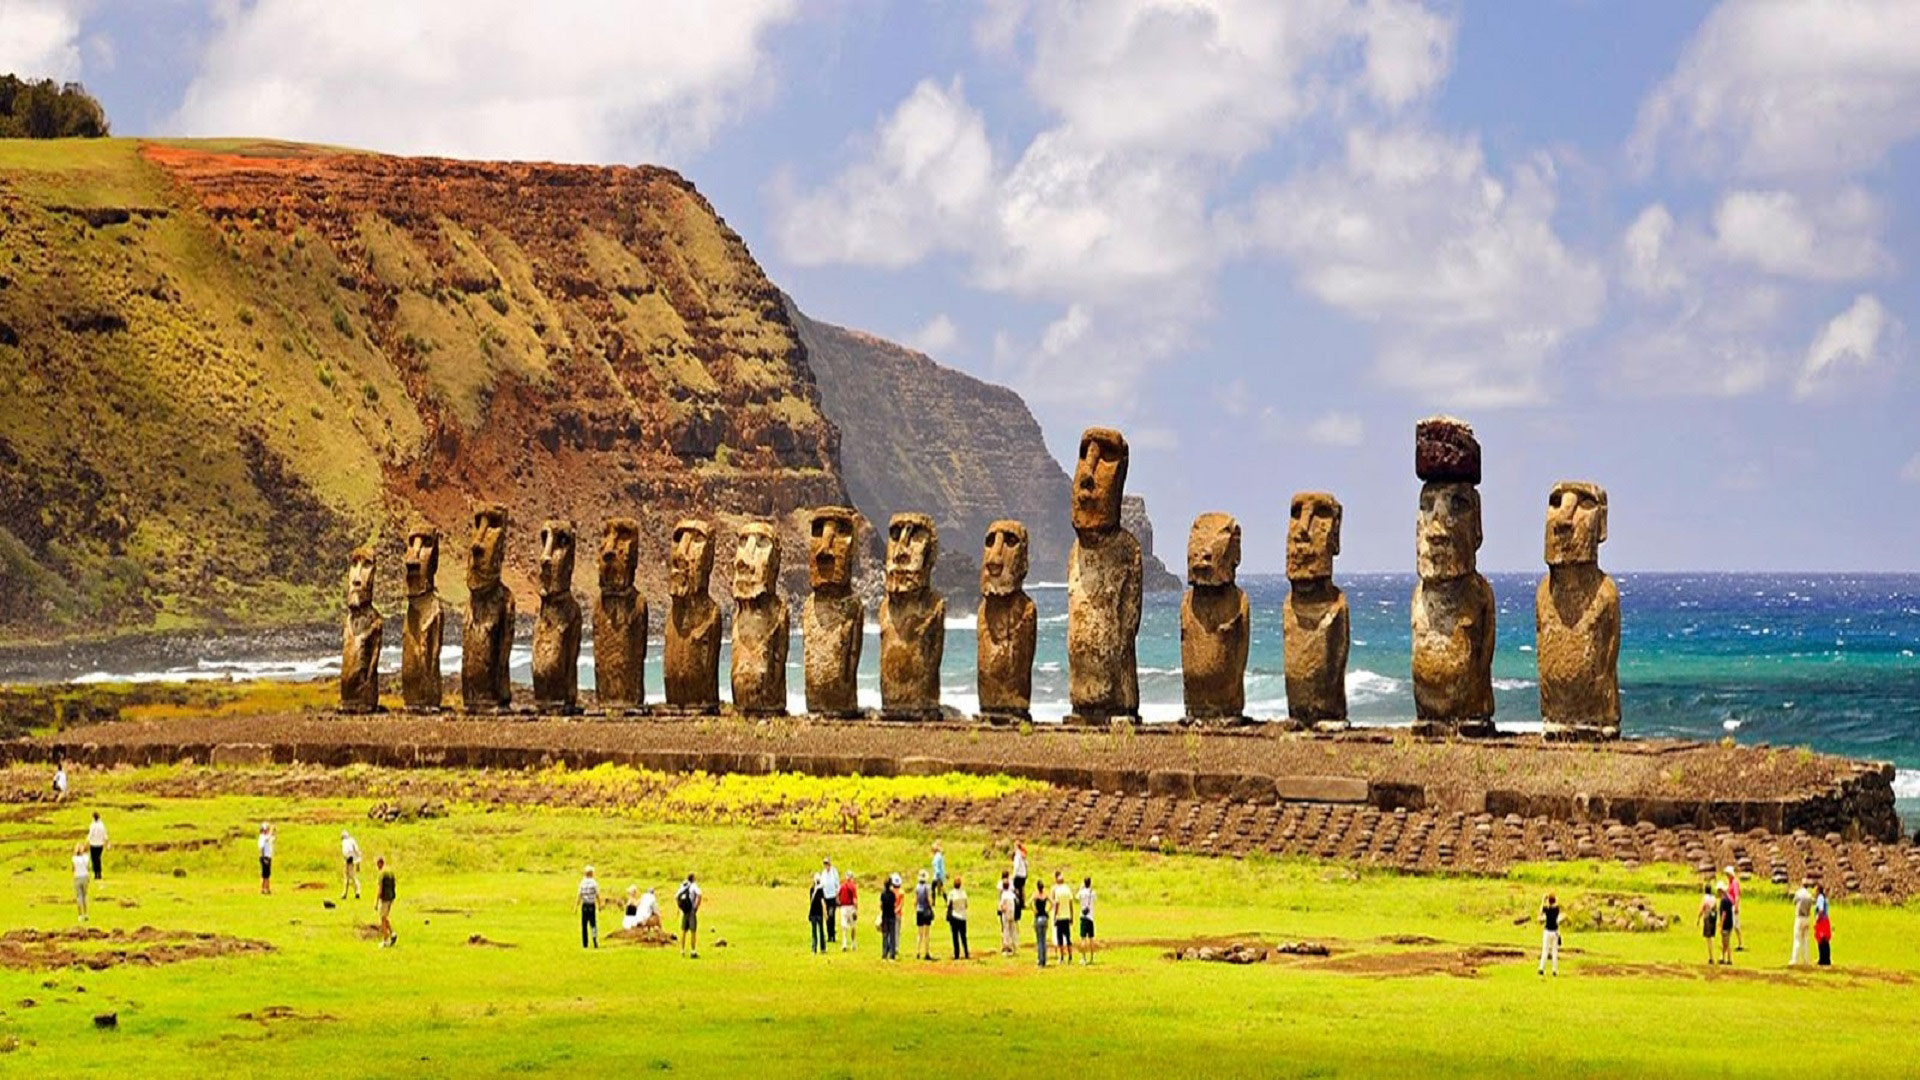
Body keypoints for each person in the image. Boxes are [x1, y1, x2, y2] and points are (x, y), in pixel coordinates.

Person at [676, 873, 702, 958]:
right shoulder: (694, 886)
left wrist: (680, 907)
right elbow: (699, 894)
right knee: (693, 931)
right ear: (693, 879)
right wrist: (695, 906)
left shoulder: (683, 885)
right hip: (691, 910)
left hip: (684, 911)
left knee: (683, 930)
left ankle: (682, 950)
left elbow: (676, 897)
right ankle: (693, 951)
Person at [1051, 871, 1075, 965]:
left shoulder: (1058, 891)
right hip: (1067, 916)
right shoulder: (1068, 889)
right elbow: (1071, 904)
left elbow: (1057, 904)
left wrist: (1055, 916)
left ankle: (1061, 957)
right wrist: (1071, 916)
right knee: (1068, 937)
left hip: (1060, 917)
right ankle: (1070, 956)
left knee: (1060, 938)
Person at [1790, 879, 1814, 966]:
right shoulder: (1809, 895)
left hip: (1799, 917)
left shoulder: (1798, 893)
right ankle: (1806, 960)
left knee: (1797, 939)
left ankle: (1794, 960)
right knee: (1806, 940)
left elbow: (1794, 902)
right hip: (1807, 918)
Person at [375, 856, 397, 947]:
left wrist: (376, 902)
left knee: (382, 919)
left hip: (384, 898)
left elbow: (380, 888)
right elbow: (394, 885)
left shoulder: (382, 873)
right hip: (391, 897)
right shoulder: (390, 872)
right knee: (385, 917)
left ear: (380, 863)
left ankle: (385, 940)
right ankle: (392, 933)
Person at [914, 869, 936, 960]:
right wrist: (931, 906)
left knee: (919, 934)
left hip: (919, 911)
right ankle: (926, 952)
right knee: (926, 934)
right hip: (926, 911)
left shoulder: (917, 887)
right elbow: (929, 899)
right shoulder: (927, 887)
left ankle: (918, 952)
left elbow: (915, 901)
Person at [947, 876, 970, 960]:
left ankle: (956, 954)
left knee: (955, 936)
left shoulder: (952, 893)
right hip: (963, 916)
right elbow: (966, 905)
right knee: (963, 936)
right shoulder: (963, 893)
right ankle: (966, 952)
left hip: (954, 916)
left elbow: (948, 904)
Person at [1537, 892, 1561, 977]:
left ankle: (1541, 968)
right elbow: (1557, 904)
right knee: (1554, 951)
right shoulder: (1557, 909)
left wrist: (1543, 900)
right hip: (1554, 932)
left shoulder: (1547, 909)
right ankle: (1554, 970)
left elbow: (1540, 912)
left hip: (1547, 931)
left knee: (1545, 950)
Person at [879, 873, 900, 961]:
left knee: (885, 935)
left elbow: (880, 905)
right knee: (892, 935)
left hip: (885, 916)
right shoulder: (892, 894)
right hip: (892, 916)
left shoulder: (883, 894)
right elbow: (894, 904)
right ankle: (892, 954)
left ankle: (884, 954)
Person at [819, 858, 841, 944]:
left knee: (832, 915)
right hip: (826, 897)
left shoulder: (834, 872)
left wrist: (837, 894)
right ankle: (829, 935)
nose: (826, 866)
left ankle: (833, 935)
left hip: (832, 897)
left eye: (827, 864)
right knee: (827, 917)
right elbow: (822, 884)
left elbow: (837, 884)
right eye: (825, 864)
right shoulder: (823, 873)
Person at [1077, 876, 1097, 966]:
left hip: (1083, 917)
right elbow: (1095, 899)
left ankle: (1083, 958)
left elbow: (1076, 897)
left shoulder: (1082, 892)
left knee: (1083, 938)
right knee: (1091, 938)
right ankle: (1092, 958)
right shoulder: (1092, 892)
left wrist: (1081, 888)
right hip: (1091, 917)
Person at [579, 865, 600, 949]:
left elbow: (579, 895)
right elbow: (597, 895)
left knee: (584, 925)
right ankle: (594, 940)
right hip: (591, 905)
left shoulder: (582, 883)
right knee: (593, 924)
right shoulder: (594, 883)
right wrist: (600, 904)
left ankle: (585, 943)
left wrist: (576, 906)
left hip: (584, 905)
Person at [808, 871, 828, 955]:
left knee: (814, 932)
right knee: (821, 931)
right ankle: (822, 948)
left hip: (813, 913)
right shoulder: (821, 890)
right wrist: (825, 914)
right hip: (819, 914)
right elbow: (823, 902)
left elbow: (811, 902)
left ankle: (814, 949)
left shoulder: (812, 889)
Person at [1725, 866, 1745, 951]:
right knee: (1732, 925)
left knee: (1735, 925)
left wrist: (1736, 906)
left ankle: (1740, 943)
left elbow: (1737, 896)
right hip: (1730, 906)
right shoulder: (1730, 883)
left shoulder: (1734, 883)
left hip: (1733, 906)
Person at [1697, 882, 1718, 964]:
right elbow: (1716, 908)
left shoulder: (1705, 898)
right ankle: (1712, 956)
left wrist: (1698, 918)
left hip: (1707, 918)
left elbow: (1702, 908)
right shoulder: (1714, 898)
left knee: (1708, 939)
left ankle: (1711, 957)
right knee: (1711, 938)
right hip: (1713, 918)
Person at [838, 872, 858, 952]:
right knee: (853, 926)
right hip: (851, 907)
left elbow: (838, 896)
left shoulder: (842, 886)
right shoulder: (853, 887)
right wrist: (856, 909)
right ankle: (853, 943)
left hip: (843, 907)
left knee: (844, 926)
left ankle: (844, 943)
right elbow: (855, 900)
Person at [998, 872, 1017, 955]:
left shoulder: (1003, 895)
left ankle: (1006, 947)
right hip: (1012, 913)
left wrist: (1001, 909)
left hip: (1006, 914)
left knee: (1006, 930)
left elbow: (1002, 906)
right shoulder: (1012, 895)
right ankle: (1014, 946)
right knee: (1012, 930)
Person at [1032, 881, 1051, 968]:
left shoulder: (1036, 895)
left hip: (1038, 917)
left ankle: (1040, 961)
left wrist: (1034, 910)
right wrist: (1047, 910)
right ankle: (1044, 960)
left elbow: (1029, 903)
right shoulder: (1045, 895)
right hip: (1045, 917)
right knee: (1044, 940)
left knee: (1039, 941)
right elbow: (1053, 902)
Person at [341, 830, 363, 900]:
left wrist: (347, 859)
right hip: (353, 860)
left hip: (348, 861)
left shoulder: (344, 842)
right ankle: (355, 892)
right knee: (351, 877)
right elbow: (357, 850)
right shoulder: (352, 840)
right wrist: (358, 861)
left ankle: (347, 893)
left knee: (349, 877)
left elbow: (344, 852)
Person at [72, 841, 91, 922]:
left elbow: (73, 868)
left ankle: (80, 915)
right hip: (85, 876)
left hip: (77, 877)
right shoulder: (86, 857)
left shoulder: (74, 858)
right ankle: (86, 913)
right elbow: (88, 867)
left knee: (79, 896)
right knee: (85, 895)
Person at [1814, 885, 1832, 967]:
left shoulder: (1820, 898)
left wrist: (1817, 919)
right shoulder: (1824, 898)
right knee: (1825, 941)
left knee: (1821, 940)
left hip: (1822, 921)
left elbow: (1820, 910)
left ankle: (1823, 959)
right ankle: (1826, 959)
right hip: (1825, 920)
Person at [87, 811, 107, 882]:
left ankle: (96, 873)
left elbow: (90, 835)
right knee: (98, 859)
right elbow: (104, 835)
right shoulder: (102, 825)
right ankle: (99, 873)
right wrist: (106, 842)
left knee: (94, 859)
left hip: (93, 844)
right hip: (100, 844)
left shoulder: (92, 825)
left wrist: (87, 842)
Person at [1717, 882, 1735, 965]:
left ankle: (1726, 958)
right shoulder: (1728, 899)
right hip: (1730, 922)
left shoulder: (1724, 900)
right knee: (1726, 941)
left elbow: (1724, 913)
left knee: (1725, 942)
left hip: (1726, 924)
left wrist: (1721, 924)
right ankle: (1725, 957)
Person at [1011, 840, 1029, 922]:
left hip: (1018, 875)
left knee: (1016, 890)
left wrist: (1013, 875)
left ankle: (1017, 903)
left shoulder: (1017, 856)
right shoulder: (1023, 855)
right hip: (1023, 874)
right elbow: (1027, 864)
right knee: (1022, 889)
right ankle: (1023, 903)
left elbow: (1016, 866)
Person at [258, 822, 275, 895]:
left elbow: (272, 838)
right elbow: (261, 848)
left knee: (267, 874)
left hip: (268, 857)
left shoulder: (266, 837)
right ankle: (263, 888)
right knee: (264, 874)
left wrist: (273, 831)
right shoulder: (262, 837)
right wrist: (264, 857)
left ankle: (267, 888)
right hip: (265, 857)